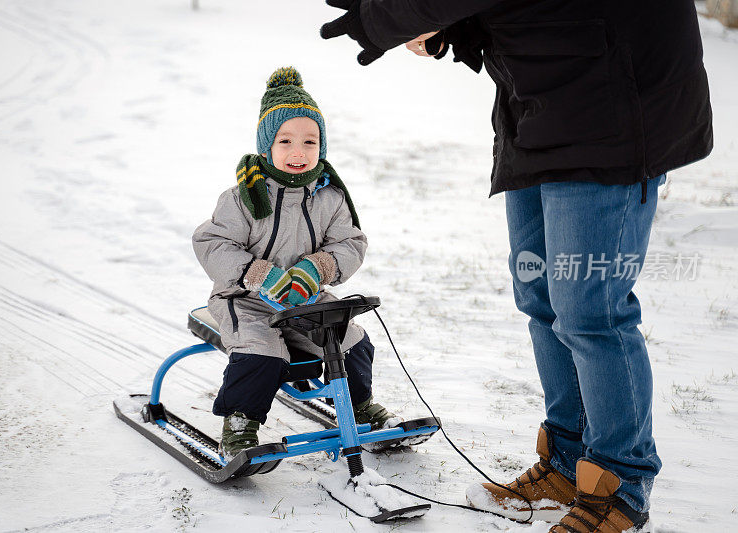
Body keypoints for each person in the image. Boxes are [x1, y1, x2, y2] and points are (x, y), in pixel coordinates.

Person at [319, 1, 713, 532]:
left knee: (590, 311)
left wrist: (389, 15)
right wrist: (453, 27)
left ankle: (620, 484)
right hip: (542, 104)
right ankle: (568, 465)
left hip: (612, 105)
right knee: (541, 296)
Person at [191, 66, 400, 459]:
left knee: (352, 340)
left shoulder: (329, 197)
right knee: (262, 352)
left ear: (321, 146)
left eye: (309, 141)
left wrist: (317, 268)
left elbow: (350, 243)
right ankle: (239, 421)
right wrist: (257, 274)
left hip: (302, 296)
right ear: (267, 146)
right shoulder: (242, 197)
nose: (298, 152)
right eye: (285, 141)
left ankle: (358, 405)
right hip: (243, 298)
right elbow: (211, 242)